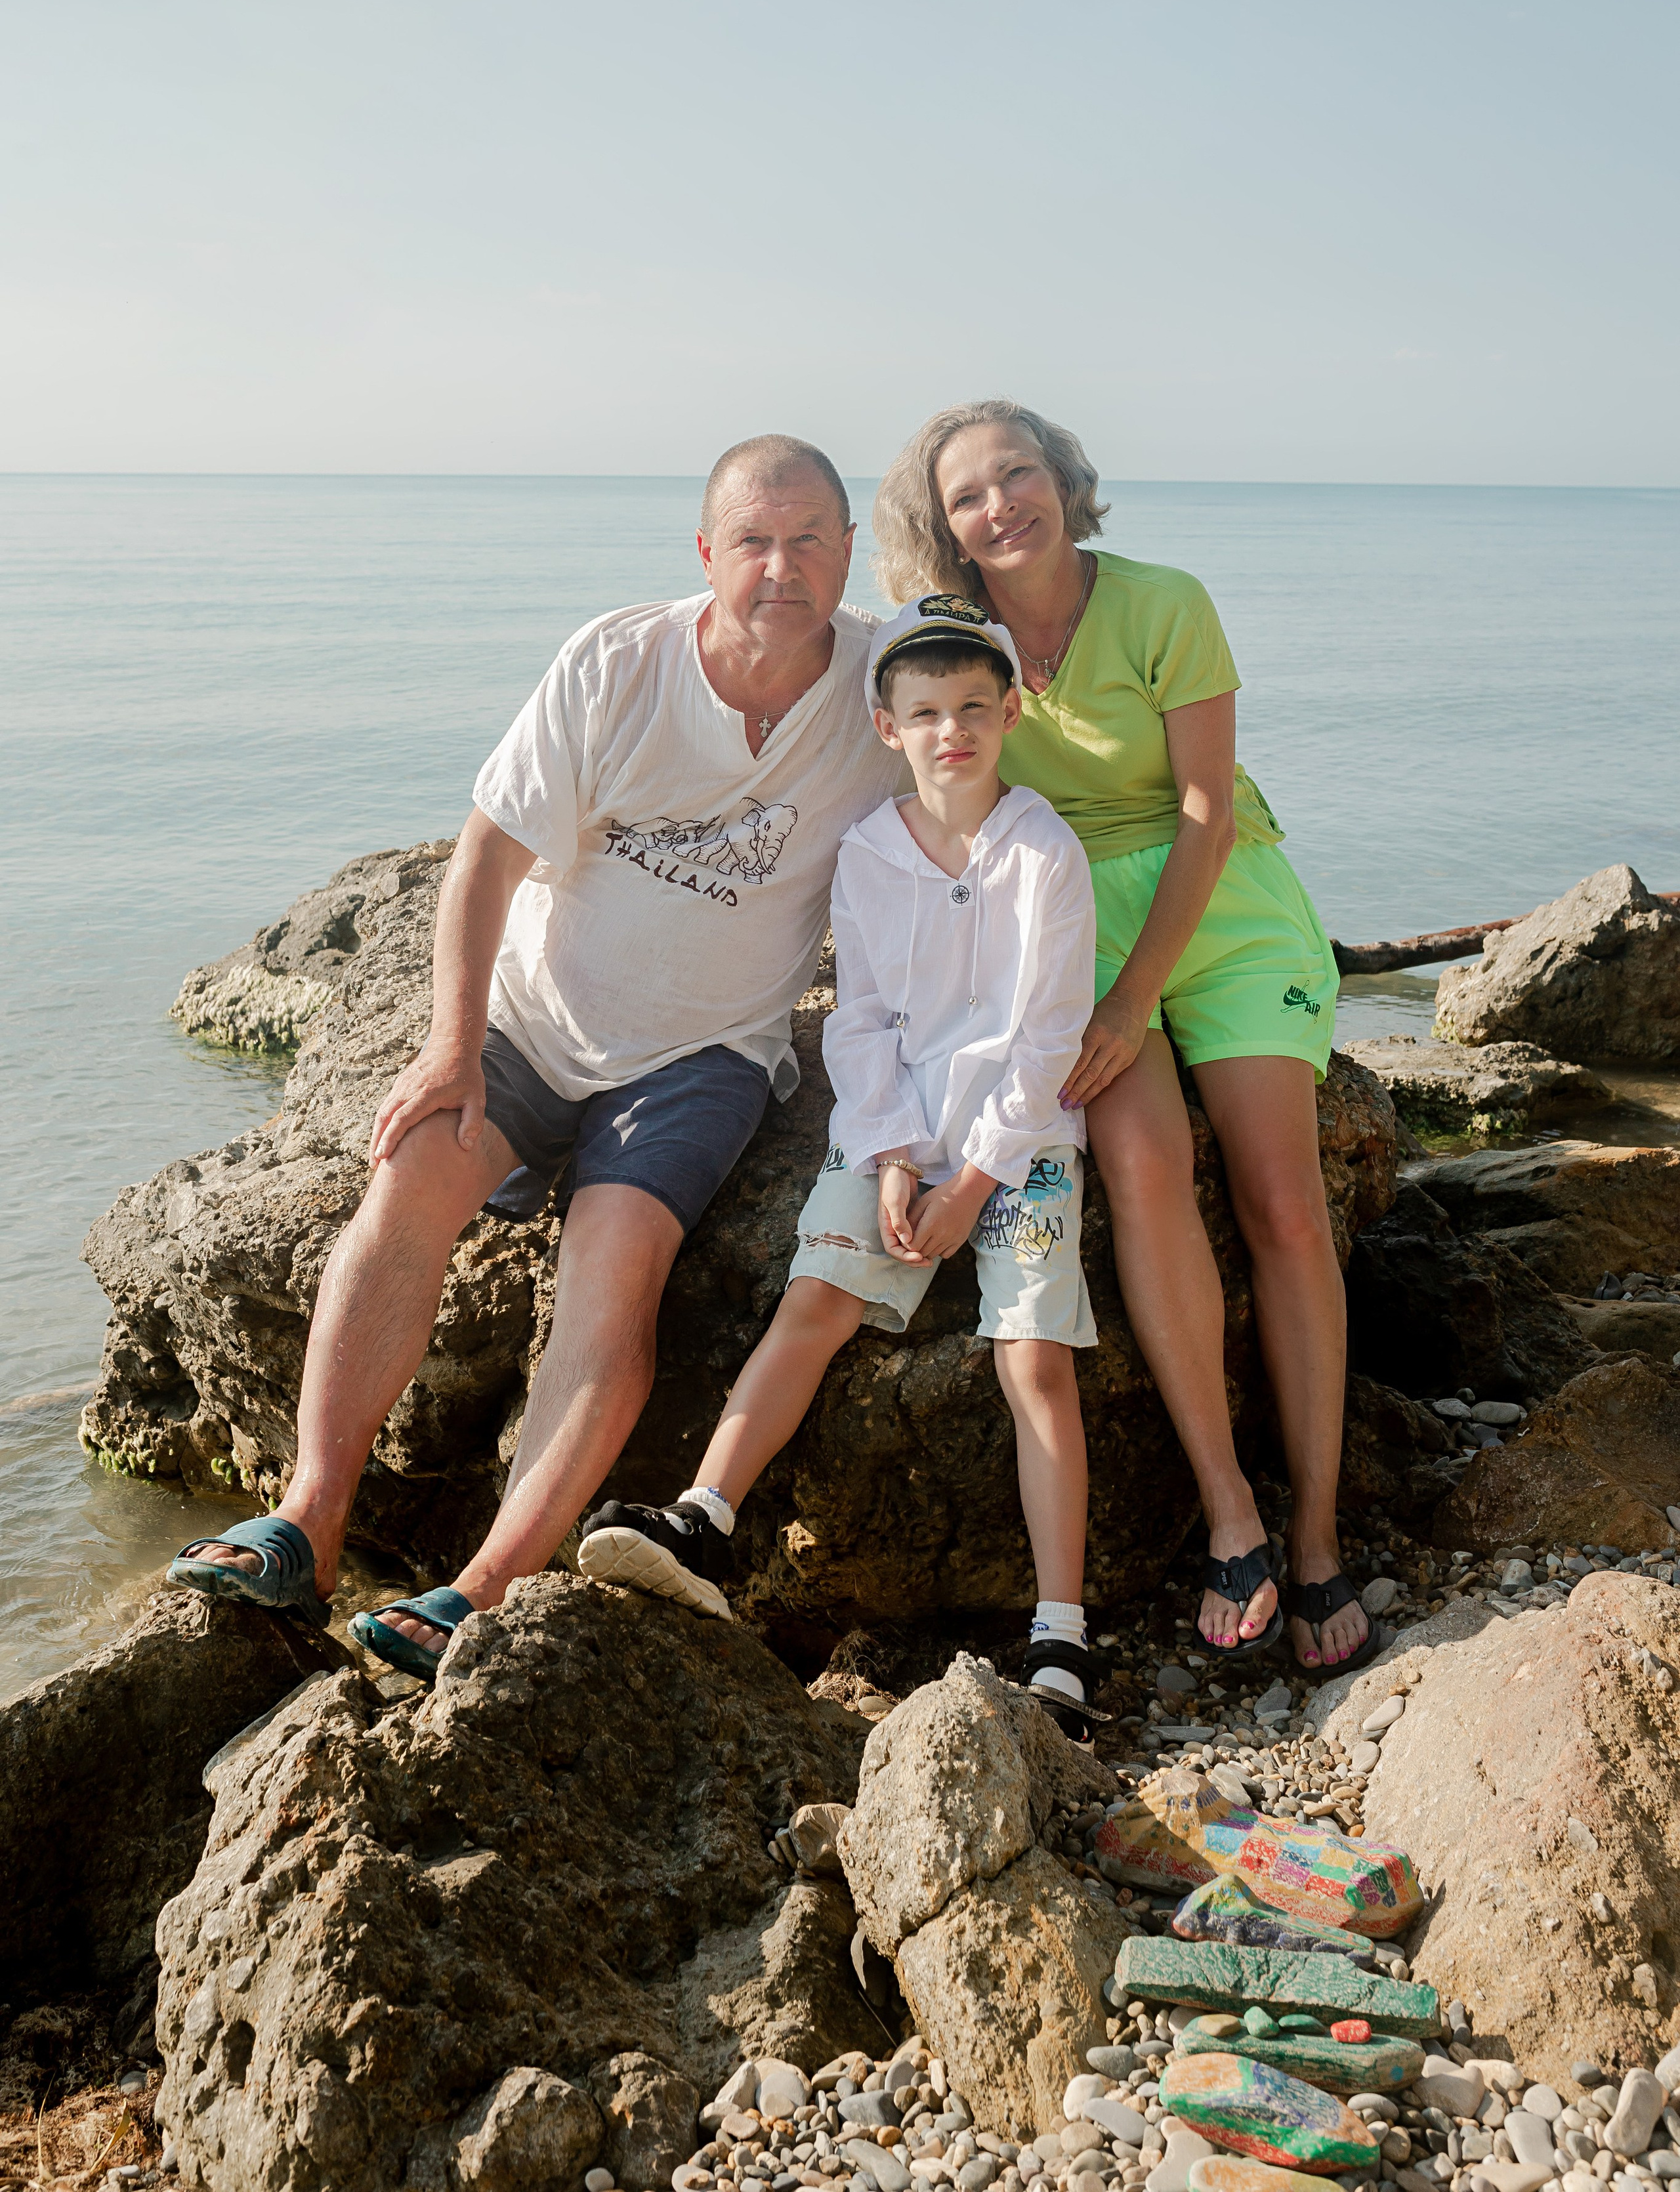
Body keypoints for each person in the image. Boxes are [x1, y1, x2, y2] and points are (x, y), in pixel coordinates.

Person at [167, 435, 905, 1679]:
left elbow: (1041, 691)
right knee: (407, 1185)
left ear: (849, 549)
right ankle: (309, 1518)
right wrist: (453, 1047)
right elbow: (487, 860)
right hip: (529, 1026)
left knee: (613, 1274)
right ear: (706, 552)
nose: (781, 569)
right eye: (753, 543)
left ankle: (480, 1588)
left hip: (699, 1058)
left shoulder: (891, 681)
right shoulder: (619, 662)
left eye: (809, 541)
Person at [870, 400, 1377, 1680]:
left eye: (1018, 475)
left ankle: (1315, 1536)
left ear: (1063, 482)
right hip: (1070, 919)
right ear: (948, 526)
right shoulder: (957, 643)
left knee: (1279, 1201)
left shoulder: (1164, 601)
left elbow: (1203, 813)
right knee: (1144, 1165)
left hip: (1225, 914)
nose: (1001, 506)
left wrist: (1134, 1000)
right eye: (970, 494)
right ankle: (1229, 1512)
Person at [573, 597, 1106, 1739]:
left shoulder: (1045, 851)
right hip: (894, 1124)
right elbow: (858, 1019)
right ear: (887, 725)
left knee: (1032, 1359)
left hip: (1022, 1146)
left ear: (1011, 711)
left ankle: (1061, 1634)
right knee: (814, 1301)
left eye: (973, 706)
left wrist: (973, 1181)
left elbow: (1050, 1034)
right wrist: (897, 1155)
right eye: (925, 711)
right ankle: (702, 1517)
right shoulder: (867, 853)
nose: (951, 729)